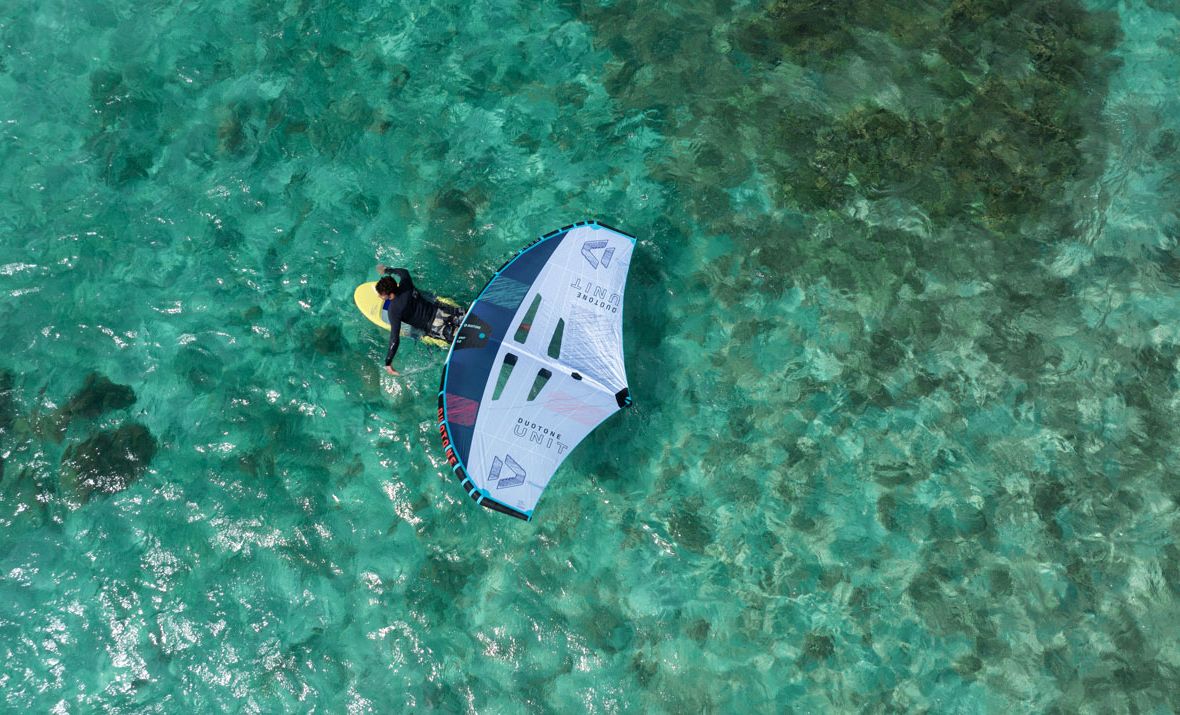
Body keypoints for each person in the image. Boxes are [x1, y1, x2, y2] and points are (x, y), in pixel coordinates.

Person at [374, 264, 463, 375]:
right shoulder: (406, 284)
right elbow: (403, 271)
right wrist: (387, 270)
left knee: (464, 340)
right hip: (442, 311)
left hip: (435, 327)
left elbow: (394, 338)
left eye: (380, 294)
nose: (379, 296)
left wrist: (388, 362)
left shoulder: (393, 311)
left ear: (388, 294)